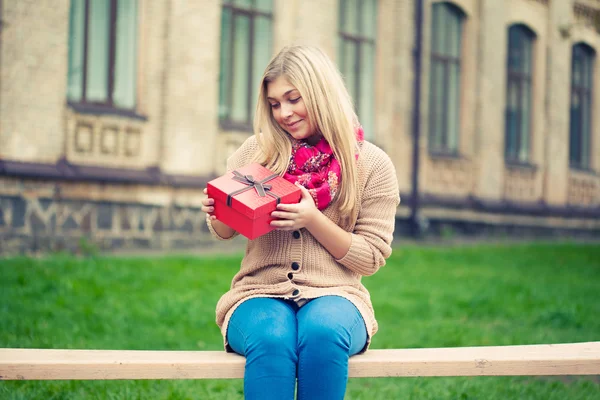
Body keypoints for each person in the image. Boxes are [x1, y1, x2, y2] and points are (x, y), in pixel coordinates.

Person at [201, 45, 399, 400]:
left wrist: (311, 219)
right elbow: (225, 232)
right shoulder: (255, 153)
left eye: (294, 99)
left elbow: (370, 258)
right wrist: (219, 211)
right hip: (258, 292)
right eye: (275, 104)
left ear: (321, 93)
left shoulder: (372, 164)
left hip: (338, 295)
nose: (284, 113)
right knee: (271, 337)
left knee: (323, 333)